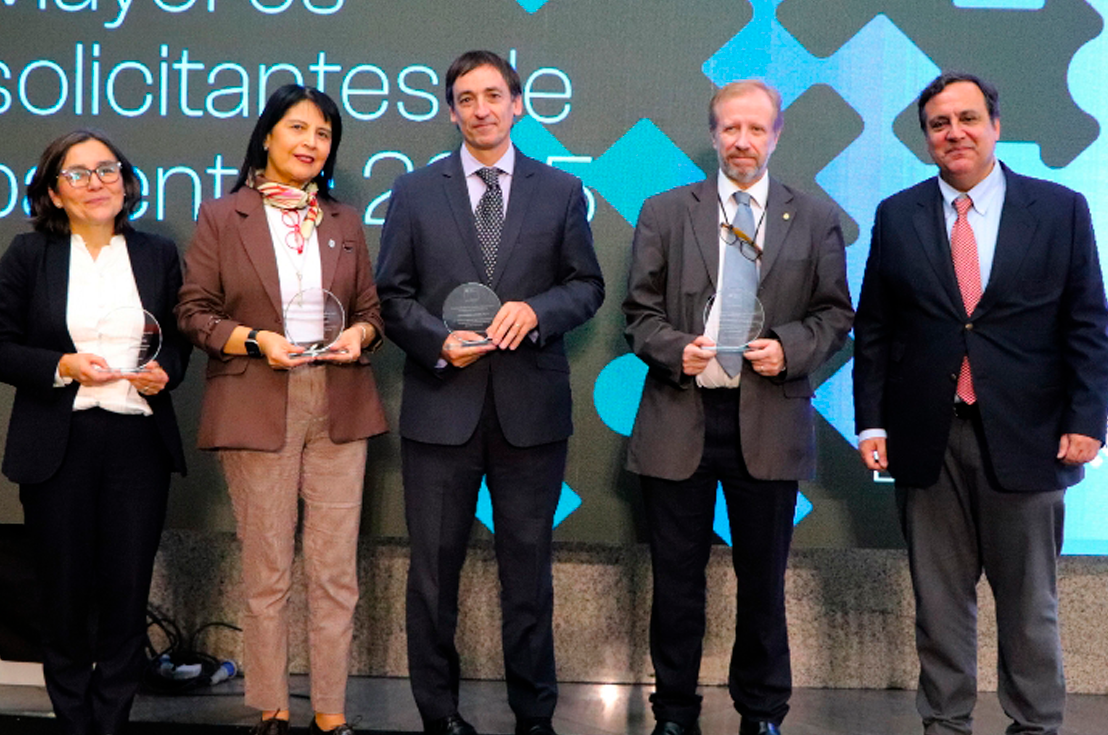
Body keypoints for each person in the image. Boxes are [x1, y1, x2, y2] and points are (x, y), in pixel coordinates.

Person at [853, 72, 1108, 735]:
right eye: (939, 124)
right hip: (926, 437)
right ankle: (945, 722)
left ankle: (1035, 723)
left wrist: (1088, 419)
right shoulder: (897, 215)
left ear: (995, 126)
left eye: (968, 118)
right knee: (939, 603)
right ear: (926, 139)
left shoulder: (1060, 209)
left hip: (1032, 436)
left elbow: (1087, 324)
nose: (955, 133)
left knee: (1030, 604)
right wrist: (871, 421)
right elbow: (876, 328)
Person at [375, 50, 604, 735]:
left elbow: (586, 286)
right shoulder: (415, 190)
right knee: (432, 576)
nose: (482, 109)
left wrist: (537, 311)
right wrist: (435, 339)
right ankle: (439, 714)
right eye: (467, 98)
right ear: (451, 112)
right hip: (441, 406)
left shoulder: (560, 190)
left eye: (494, 95)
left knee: (528, 574)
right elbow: (392, 296)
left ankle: (534, 714)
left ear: (518, 104)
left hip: (530, 413)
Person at [622, 80, 853, 735]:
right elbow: (638, 313)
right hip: (680, 414)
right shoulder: (665, 211)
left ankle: (762, 712)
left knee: (763, 582)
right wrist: (676, 349)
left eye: (755, 129)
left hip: (770, 418)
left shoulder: (815, 216)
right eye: (730, 128)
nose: (742, 141)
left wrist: (789, 348)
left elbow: (836, 314)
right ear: (713, 134)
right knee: (676, 583)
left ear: (776, 135)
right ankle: (674, 711)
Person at [176, 84, 388, 735]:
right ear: (267, 135)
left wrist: (360, 335)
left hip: (339, 402)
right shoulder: (223, 215)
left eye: (323, 134)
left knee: (334, 571)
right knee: (268, 569)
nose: (310, 143)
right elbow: (193, 313)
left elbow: (371, 312)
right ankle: (271, 706)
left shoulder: (344, 220)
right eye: (297, 128)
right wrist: (254, 340)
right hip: (257, 400)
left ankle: (330, 711)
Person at [0, 129, 191, 735]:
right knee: (63, 594)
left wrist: (167, 373)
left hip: (137, 443)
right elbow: (2, 345)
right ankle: (74, 722)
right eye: (77, 174)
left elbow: (177, 343)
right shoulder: (29, 255)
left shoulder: (157, 253)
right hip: (59, 444)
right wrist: (63, 365)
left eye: (107, 170)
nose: (96, 183)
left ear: (126, 182)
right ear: (54, 193)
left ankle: (111, 722)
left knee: (126, 593)